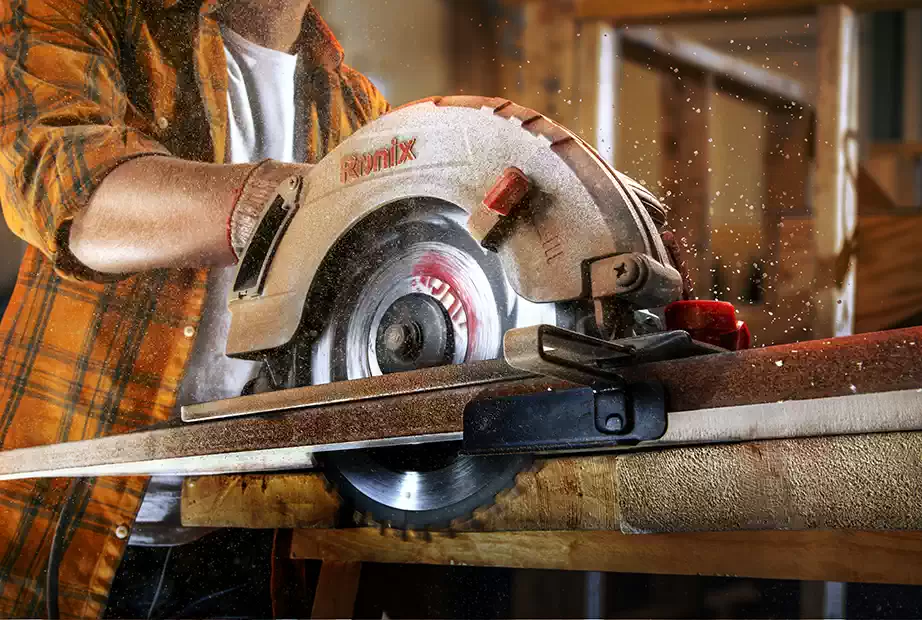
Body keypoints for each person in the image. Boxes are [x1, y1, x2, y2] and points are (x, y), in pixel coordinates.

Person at [0, 0, 388, 615]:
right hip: (64, 529)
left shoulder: (357, 108)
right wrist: (277, 202)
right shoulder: (77, 17)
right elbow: (73, 194)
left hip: (250, 539)